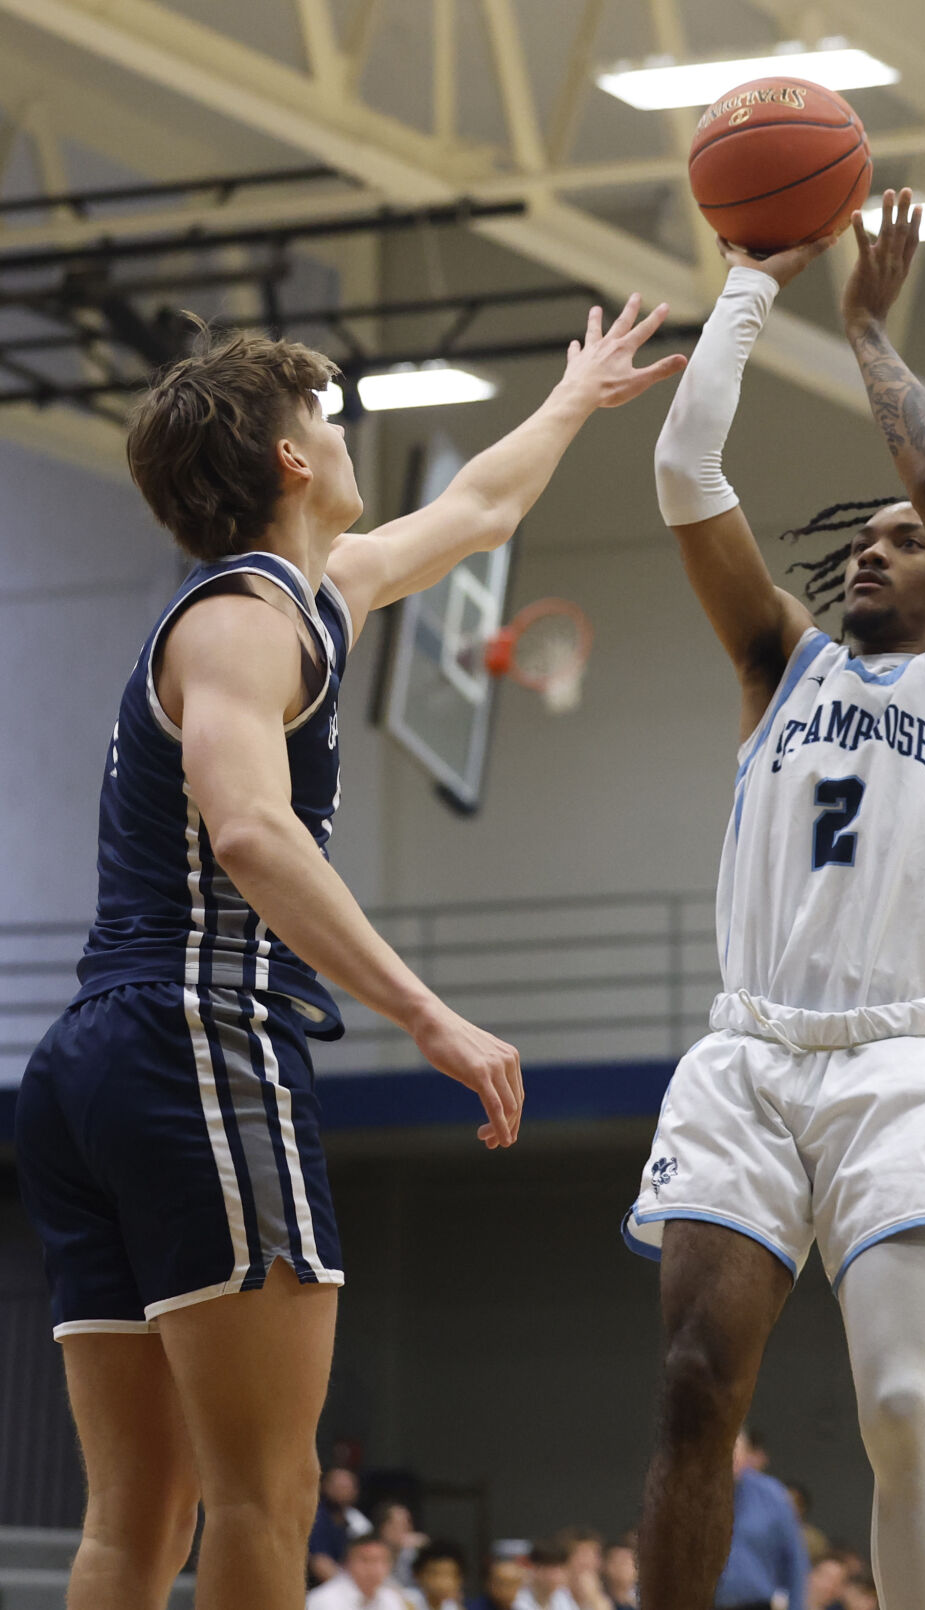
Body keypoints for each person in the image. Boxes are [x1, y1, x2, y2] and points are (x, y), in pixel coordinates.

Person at [14, 297, 685, 1610]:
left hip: (99, 1060)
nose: (341, 427)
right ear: (291, 461)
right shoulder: (241, 622)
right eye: (324, 413)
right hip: (192, 1042)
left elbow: (480, 509)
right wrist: (428, 1013)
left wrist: (572, 395)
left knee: (133, 1521)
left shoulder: (311, 592)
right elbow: (255, 835)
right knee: (265, 1496)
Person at [625, 189, 925, 1610]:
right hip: (748, 1054)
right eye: (866, 537)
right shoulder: (783, 661)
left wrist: (872, 335)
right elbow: (684, 462)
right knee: (698, 1385)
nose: (875, 548)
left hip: (892, 1061)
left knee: (900, 1405)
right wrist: (749, 284)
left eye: (905, 540)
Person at [715, 1428, 808, 1610]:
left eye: (736, 1449)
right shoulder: (689, 1495)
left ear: (746, 1454)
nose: (730, 1456)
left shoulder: (772, 1495)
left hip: (756, 1603)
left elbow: (795, 1559)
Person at [310, 1467, 374, 1585]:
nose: (342, 1491)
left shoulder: (356, 1521)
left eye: (347, 1487)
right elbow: (320, 1564)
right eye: (337, 1486)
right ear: (325, 1487)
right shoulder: (316, 1519)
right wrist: (352, 1590)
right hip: (321, 1591)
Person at [307, 1535, 408, 1610]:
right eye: (365, 1560)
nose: (373, 1568)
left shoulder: (392, 1599)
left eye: (380, 1561)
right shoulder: (322, 1600)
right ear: (347, 1564)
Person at [374, 1501, 429, 1588]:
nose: (407, 1529)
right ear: (383, 1528)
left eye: (408, 1523)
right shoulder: (371, 1553)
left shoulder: (411, 1552)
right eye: (400, 1524)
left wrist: (426, 1548)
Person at [517, 1541, 581, 1610]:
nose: (559, 1575)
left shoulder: (561, 1594)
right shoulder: (517, 1598)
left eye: (562, 1567)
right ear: (535, 1568)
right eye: (554, 1567)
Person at [408, 1540, 467, 1610]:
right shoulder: (405, 1601)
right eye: (435, 1574)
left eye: (449, 1574)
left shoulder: (452, 1606)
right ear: (418, 1575)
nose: (442, 1583)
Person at [602, 1538, 638, 1610]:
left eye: (631, 1561)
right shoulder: (600, 1600)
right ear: (606, 1566)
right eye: (622, 1562)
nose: (630, 1567)